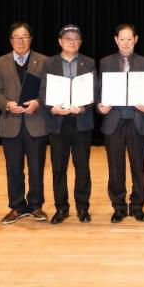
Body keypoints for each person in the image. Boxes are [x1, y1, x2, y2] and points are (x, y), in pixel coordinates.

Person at [39, 24, 98, 224]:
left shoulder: (89, 62)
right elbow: (43, 91)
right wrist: (51, 108)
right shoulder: (49, 63)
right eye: (67, 38)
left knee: (82, 168)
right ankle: (61, 208)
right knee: (58, 168)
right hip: (58, 122)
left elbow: (94, 90)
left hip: (81, 121)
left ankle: (82, 208)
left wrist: (83, 106)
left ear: (80, 42)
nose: (71, 42)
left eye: (75, 39)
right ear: (60, 41)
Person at [0, 22, 49, 225]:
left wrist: (38, 103)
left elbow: (48, 91)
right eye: (16, 37)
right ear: (10, 40)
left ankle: (35, 205)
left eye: (25, 36)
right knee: (13, 169)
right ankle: (16, 206)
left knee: (36, 168)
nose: (21, 40)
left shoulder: (44, 61)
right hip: (11, 124)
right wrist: (7, 104)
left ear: (31, 39)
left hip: (36, 123)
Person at [98, 24, 144, 223]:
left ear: (135, 40)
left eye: (130, 39)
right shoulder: (105, 62)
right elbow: (99, 90)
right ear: (116, 40)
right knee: (115, 167)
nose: (126, 43)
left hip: (138, 121)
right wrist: (100, 106)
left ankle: (137, 206)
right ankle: (119, 206)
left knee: (138, 167)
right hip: (114, 121)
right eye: (122, 39)